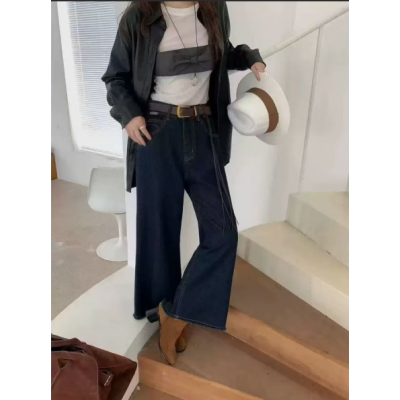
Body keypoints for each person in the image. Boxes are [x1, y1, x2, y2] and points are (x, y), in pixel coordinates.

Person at [102, 1, 265, 365]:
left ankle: (176, 310)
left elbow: (222, 55)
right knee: (159, 229)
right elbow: (116, 77)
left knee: (223, 233)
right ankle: (161, 308)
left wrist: (249, 57)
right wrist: (129, 116)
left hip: (204, 130)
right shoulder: (139, 16)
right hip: (157, 132)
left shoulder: (213, 8)